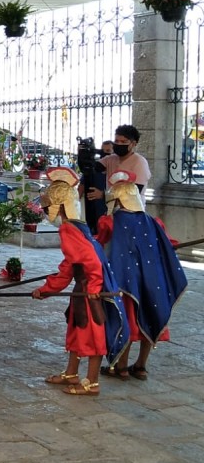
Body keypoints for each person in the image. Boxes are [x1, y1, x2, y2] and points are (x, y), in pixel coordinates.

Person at [32, 167, 128, 396]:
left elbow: (92, 262)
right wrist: (48, 288)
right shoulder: (77, 226)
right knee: (76, 329)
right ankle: (71, 373)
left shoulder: (69, 230)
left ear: (58, 206)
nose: (46, 211)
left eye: (48, 207)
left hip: (89, 290)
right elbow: (70, 265)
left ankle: (92, 382)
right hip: (82, 287)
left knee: (92, 334)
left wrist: (92, 288)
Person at [95, 170, 188, 382]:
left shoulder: (109, 222)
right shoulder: (154, 222)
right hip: (152, 280)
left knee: (127, 319)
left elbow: (99, 244)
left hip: (125, 281)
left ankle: (121, 368)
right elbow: (168, 244)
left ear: (116, 199)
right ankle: (141, 366)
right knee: (151, 315)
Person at [86, 125, 150, 204]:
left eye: (123, 142)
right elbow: (89, 168)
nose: (119, 144)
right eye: (116, 141)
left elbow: (133, 193)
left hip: (131, 212)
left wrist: (103, 195)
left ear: (133, 144)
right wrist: (85, 153)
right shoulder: (110, 159)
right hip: (112, 211)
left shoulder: (139, 162)